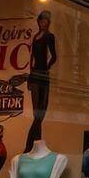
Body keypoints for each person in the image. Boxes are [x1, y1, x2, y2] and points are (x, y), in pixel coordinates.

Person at [26, 11, 56, 153]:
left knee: (40, 113)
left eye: (46, 21)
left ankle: (30, 146)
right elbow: (32, 57)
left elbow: (54, 56)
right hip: (35, 75)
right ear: (39, 21)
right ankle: (35, 147)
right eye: (42, 20)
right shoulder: (36, 37)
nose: (43, 23)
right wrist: (30, 76)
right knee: (36, 113)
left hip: (43, 75)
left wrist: (46, 67)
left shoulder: (50, 37)